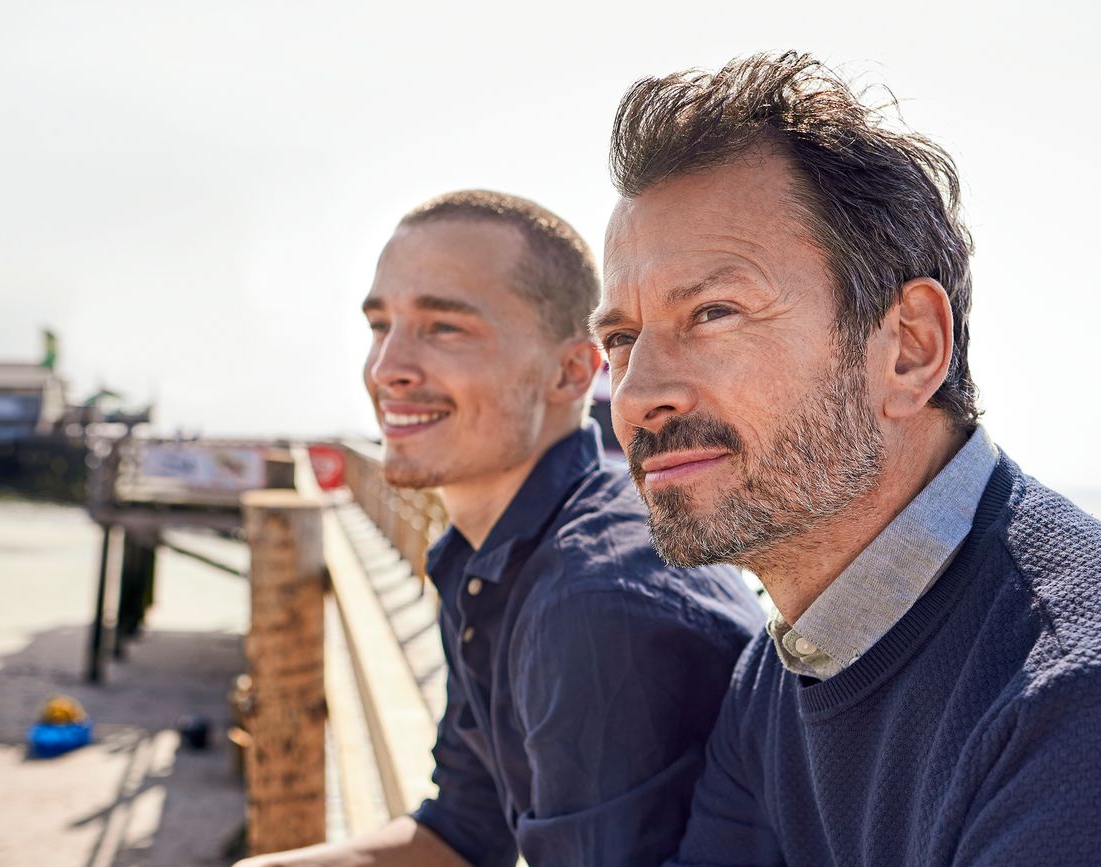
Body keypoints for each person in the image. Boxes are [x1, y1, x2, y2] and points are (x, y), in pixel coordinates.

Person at [593, 52, 1101, 866]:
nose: (634, 395)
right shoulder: (785, 666)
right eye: (621, 340)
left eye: (714, 312)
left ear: (909, 347)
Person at [238, 190, 763, 867]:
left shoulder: (593, 603)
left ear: (571, 372)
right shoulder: (486, 557)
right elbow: (465, 828)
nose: (386, 368)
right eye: (380, 326)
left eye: (444, 328)